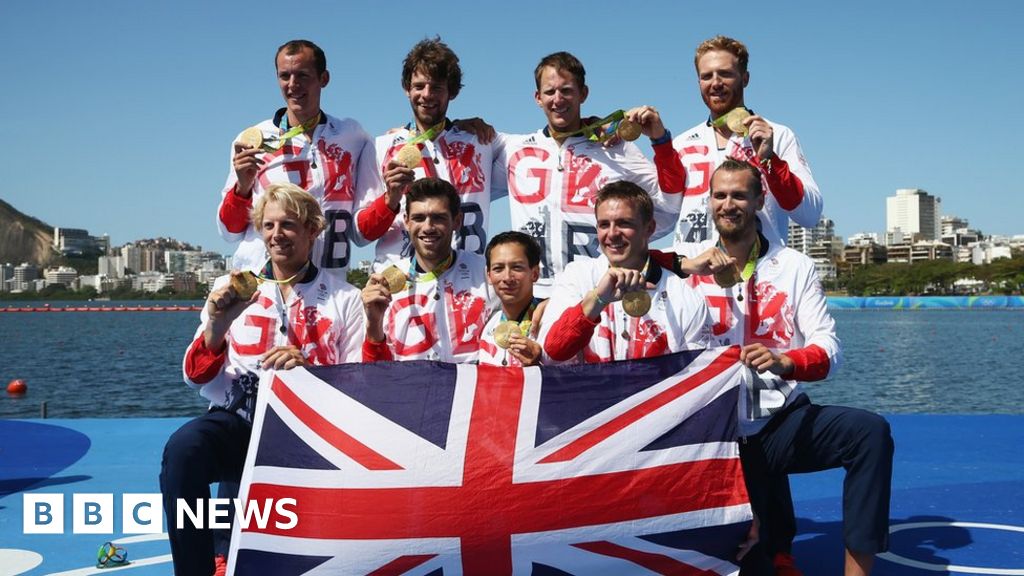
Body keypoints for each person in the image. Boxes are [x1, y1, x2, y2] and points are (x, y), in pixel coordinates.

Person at [662, 159, 893, 576]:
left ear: (759, 200)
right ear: (708, 202)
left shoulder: (795, 266)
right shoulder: (686, 272)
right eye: (719, 195)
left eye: (739, 195)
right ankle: (763, 537)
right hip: (718, 440)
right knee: (753, 564)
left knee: (870, 433)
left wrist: (788, 361)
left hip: (780, 424)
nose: (728, 204)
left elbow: (828, 347)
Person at [161, 183, 364, 575]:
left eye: (288, 224)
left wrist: (309, 372)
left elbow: (359, 387)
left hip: (313, 431)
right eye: (268, 225)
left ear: (312, 231)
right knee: (183, 450)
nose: (276, 235)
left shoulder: (345, 298)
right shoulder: (229, 290)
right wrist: (217, 328)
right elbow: (193, 376)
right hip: (240, 421)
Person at [504, 51, 685, 297]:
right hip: (534, 295)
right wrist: (472, 124)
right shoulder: (511, 149)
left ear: (584, 93)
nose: (558, 99)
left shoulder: (614, 147)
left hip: (598, 291)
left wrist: (660, 140)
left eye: (566, 90)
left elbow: (670, 204)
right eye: (549, 92)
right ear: (537, 97)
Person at [217, 39, 380, 274]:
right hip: (263, 285)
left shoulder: (353, 136)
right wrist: (242, 188)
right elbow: (229, 232)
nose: (292, 85)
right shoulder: (251, 139)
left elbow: (363, 232)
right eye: (285, 76)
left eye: (302, 75)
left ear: (324, 79)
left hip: (329, 287)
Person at [356, 37, 507, 269]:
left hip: (468, 282)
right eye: (419, 86)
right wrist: (390, 199)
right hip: (402, 286)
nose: (427, 94)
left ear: (452, 92)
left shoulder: (482, 141)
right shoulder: (380, 147)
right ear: (407, 89)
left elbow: (549, 142)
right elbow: (360, 235)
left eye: (437, 87)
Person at [667, 36, 821, 247]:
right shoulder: (681, 144)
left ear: (745, 78)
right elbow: (660, 216)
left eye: (725, 74)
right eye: (707, 76)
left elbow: (809, 215)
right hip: (695, 276)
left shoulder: (777, 135)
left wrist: (771, 161)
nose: (716, 83)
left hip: (760, 273)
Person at [540, 181, 710, 363]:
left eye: (624, 223)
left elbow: (697, 378)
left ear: (650, 228)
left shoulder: (685, 297)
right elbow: (550, 356)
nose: (612, 234)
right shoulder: (577, 277)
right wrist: (597, 300)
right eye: (604, 224)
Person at [362, 177, 492, 363]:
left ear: (457, 221)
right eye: (418, 218)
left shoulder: (485, 272)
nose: (428, 227)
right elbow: (375, 374)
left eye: (438, 218)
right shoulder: (383, 284)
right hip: (409, 390)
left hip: (471, 390)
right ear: (406, 222)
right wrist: (374, 325)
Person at [479, 231, 546, 367]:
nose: (507, 278)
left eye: (517, 267)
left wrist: (538, 365)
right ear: (489, 276)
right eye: (498, 268)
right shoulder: (487, 325)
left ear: (535, 273)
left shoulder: (550, 322)